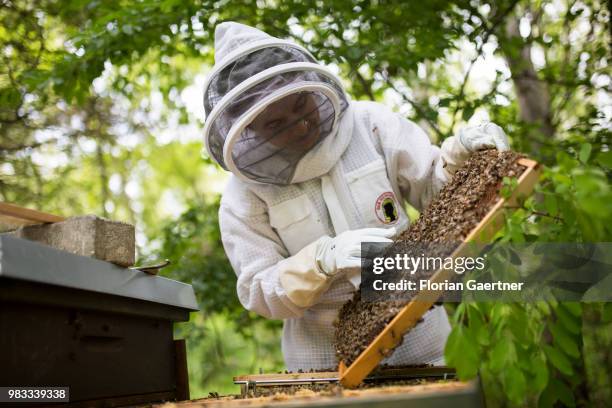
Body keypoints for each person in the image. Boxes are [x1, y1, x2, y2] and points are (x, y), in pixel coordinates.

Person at [202, 22, 509, 371]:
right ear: (250, 130)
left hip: (425, 343)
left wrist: (461, 156)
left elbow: (435, 192)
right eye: (276, 124)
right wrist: (320, 262)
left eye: (301, 104)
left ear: (311, 86)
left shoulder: (372, 125)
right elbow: (258, 289)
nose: (300, 124)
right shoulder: (244, 196)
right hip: (323, 364)